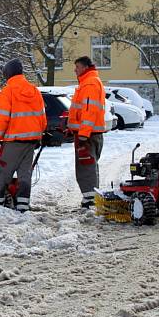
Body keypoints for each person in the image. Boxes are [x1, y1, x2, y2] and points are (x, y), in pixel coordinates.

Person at [0, 59, 47, 212]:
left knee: (1, 172)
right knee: (24, 175)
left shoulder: (7, 92)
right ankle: (22, 204)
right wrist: (39, 136)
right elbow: (42, 117)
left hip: (13, 141)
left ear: (7, 73)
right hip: (31, 142)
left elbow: (1, 120)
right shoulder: (34, 91)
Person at [68, 56, 107, 208]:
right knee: (89, 165)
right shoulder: (89, 82)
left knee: (86, 165)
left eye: (77, 67)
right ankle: (90, 197)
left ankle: (91, 199)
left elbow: (89, 111)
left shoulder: (89, 83)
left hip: (87, 135)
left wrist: (83, 133)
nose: (75, 70)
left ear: (84, 67)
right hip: (89, 133)